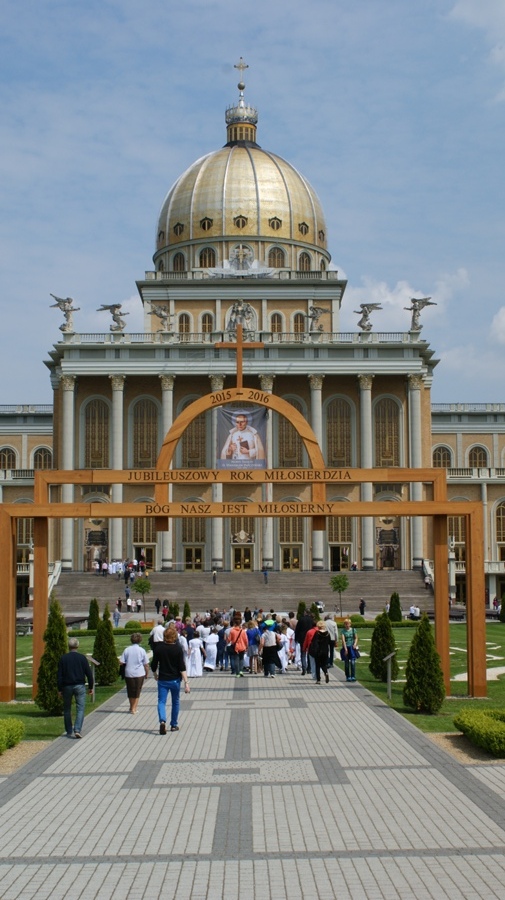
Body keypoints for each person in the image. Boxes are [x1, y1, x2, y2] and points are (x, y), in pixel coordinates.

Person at [151, 626, 190, 734]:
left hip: (163, 679)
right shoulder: (178, 649)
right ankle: (173, 724)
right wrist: (186, 682)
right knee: (175, 702)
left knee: (161, 701)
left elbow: (153, 664)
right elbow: (182, 667)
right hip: (175, 680)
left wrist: (154, 674)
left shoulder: (159, 648)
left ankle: (162, 720)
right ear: (174, 637)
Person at [57, 637, 94, 738]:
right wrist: (91, 687)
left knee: (67, 708)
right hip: (79, 685)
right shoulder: (82, 658)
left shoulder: (63, 658)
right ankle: (77, 729)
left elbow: (59, 675)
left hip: (67, 686)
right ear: (77, 646)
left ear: (68, 646)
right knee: (80, 708)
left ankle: (69, 730)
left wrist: (59, 689)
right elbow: (89, 674)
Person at [119, 633, 149, 714]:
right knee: (137, 691)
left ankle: (131, 706)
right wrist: (147, 673)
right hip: (139, 673)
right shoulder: (142, 650)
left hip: (129, 672)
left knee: (130, 690)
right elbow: (146, 664)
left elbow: (121, 662)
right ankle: (134, 708)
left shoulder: (127, 650)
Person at [341, 618, 359, 682]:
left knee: (353, 662)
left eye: (348, 624)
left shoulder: (353, 630)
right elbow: (343, 640)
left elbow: (356, 638)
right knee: (346, 663)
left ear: (350, 624)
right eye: (346, 624)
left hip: (352, 647)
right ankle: (348, 676)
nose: (347, 625)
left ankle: (353, 676)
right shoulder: (343, 631)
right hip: (346, 647)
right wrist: (345, 649)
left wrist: (355, 644)